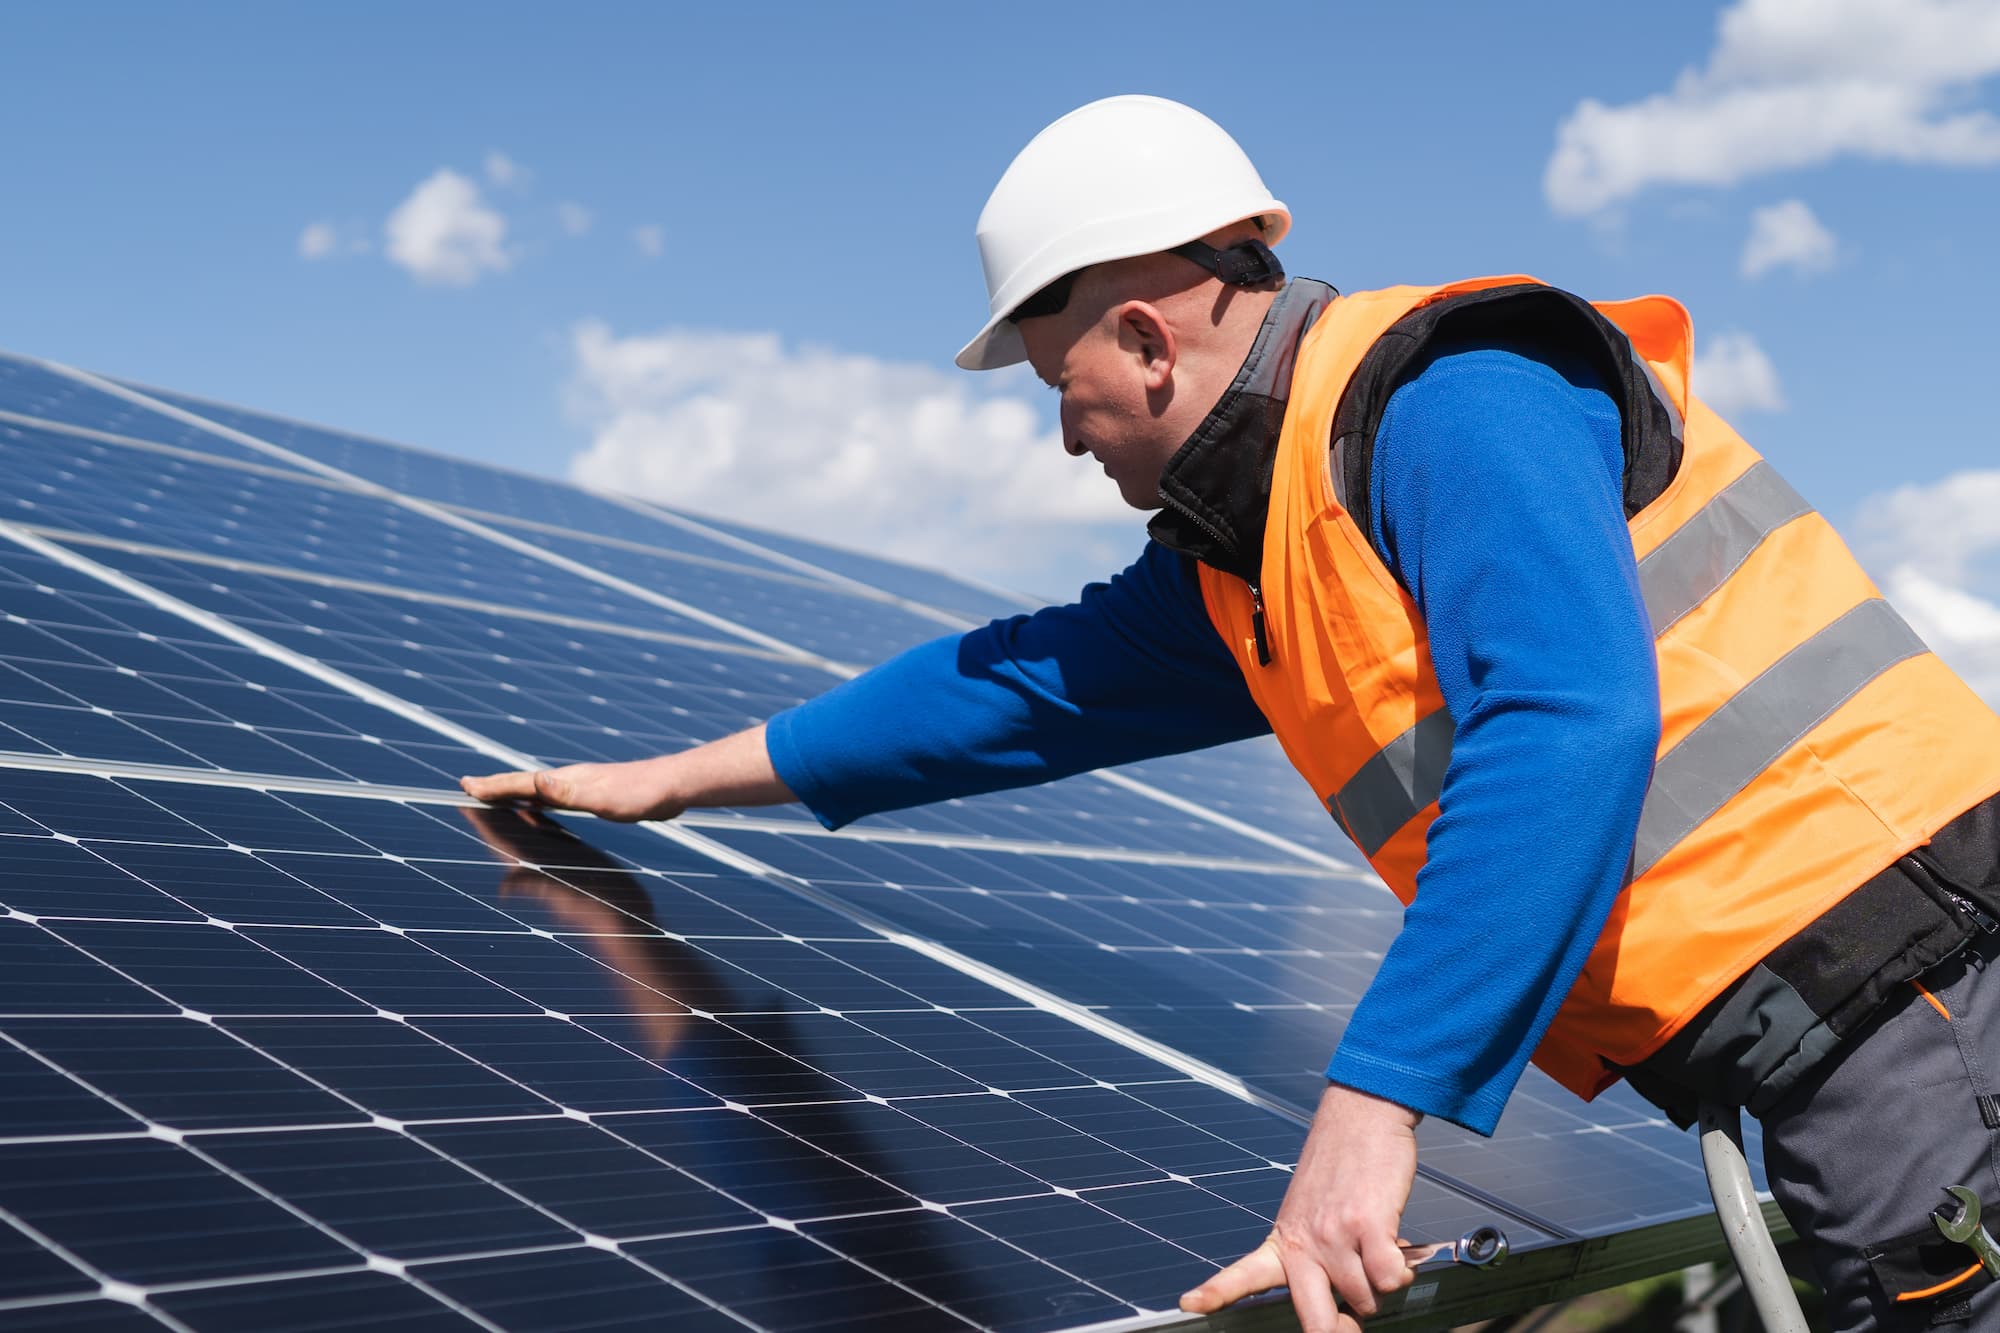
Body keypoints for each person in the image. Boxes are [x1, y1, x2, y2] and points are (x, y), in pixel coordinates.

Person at [464, 96, 2000, 1332]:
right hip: (1846, 1051)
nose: (1066, 435)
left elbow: (1568, 716)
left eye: (1061, 384)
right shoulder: (1248, 559)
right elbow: (999, 693)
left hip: (1926, 1010)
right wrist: (669, 782)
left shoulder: (1452, 395)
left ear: (1145, 335)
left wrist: (1374, 1108)